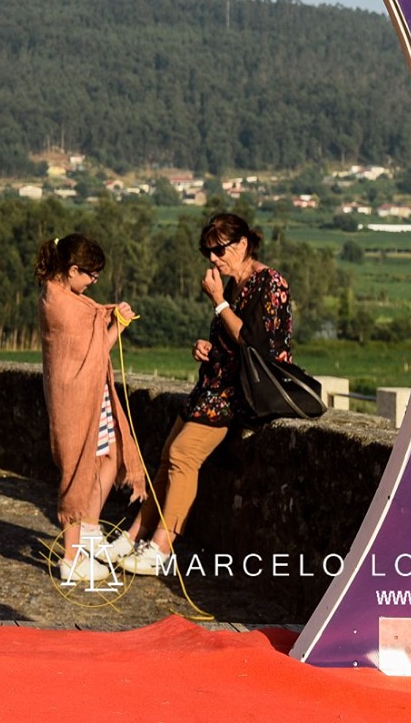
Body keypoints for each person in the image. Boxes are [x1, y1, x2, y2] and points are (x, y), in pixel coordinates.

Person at [109, 211, 294, 577]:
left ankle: (161, 548)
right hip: (215, 385)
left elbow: (254, 344)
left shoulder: (270, 283)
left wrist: (218, 301)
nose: (212, 258)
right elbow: (231, 339)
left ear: (242, 244)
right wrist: (207, 347)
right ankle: (133, 537)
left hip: (239, 393)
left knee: (183, 454)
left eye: (219, 250)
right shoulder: (236, 284)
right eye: (206, 251)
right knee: (167, 456)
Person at [37, 233, 143, 586]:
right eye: (91, 275)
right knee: (78, 470)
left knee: (111, 456)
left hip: (90, 393)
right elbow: (98, 351)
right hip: (76, 398)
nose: (94, 282)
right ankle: (72, 558)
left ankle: (90, 530)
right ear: (72, 270)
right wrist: (118, 325)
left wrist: (110, 319)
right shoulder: (66, 308)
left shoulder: (60, 294)